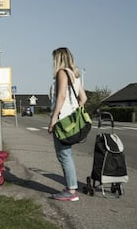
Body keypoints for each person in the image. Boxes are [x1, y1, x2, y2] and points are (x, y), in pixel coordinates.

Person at [48, 47, 87, 202]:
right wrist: (74, 112)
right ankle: (70, 187)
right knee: (66, 154)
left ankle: (71, 191)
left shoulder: (62, 73)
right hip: (69, 120)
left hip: (62, 121)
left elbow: (62, 96)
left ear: (58, 59)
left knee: (64, 155)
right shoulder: (74, 75)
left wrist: (54, 118)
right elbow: (83, 98)